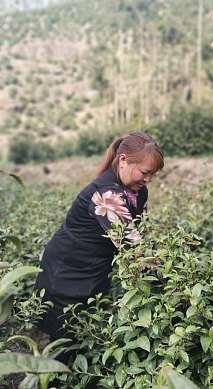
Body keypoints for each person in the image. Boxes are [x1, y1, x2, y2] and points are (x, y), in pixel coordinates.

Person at [34, 131, 164, 355]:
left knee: (90, 334)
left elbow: (141, 231)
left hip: (95, 269)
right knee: (66, 344)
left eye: (152, 174)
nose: (148, 179)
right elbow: (133, 247)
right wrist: (170, 274)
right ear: (123, 160)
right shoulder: (106, 194)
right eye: (144, 172)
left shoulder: (138, 190)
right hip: (67, 272)